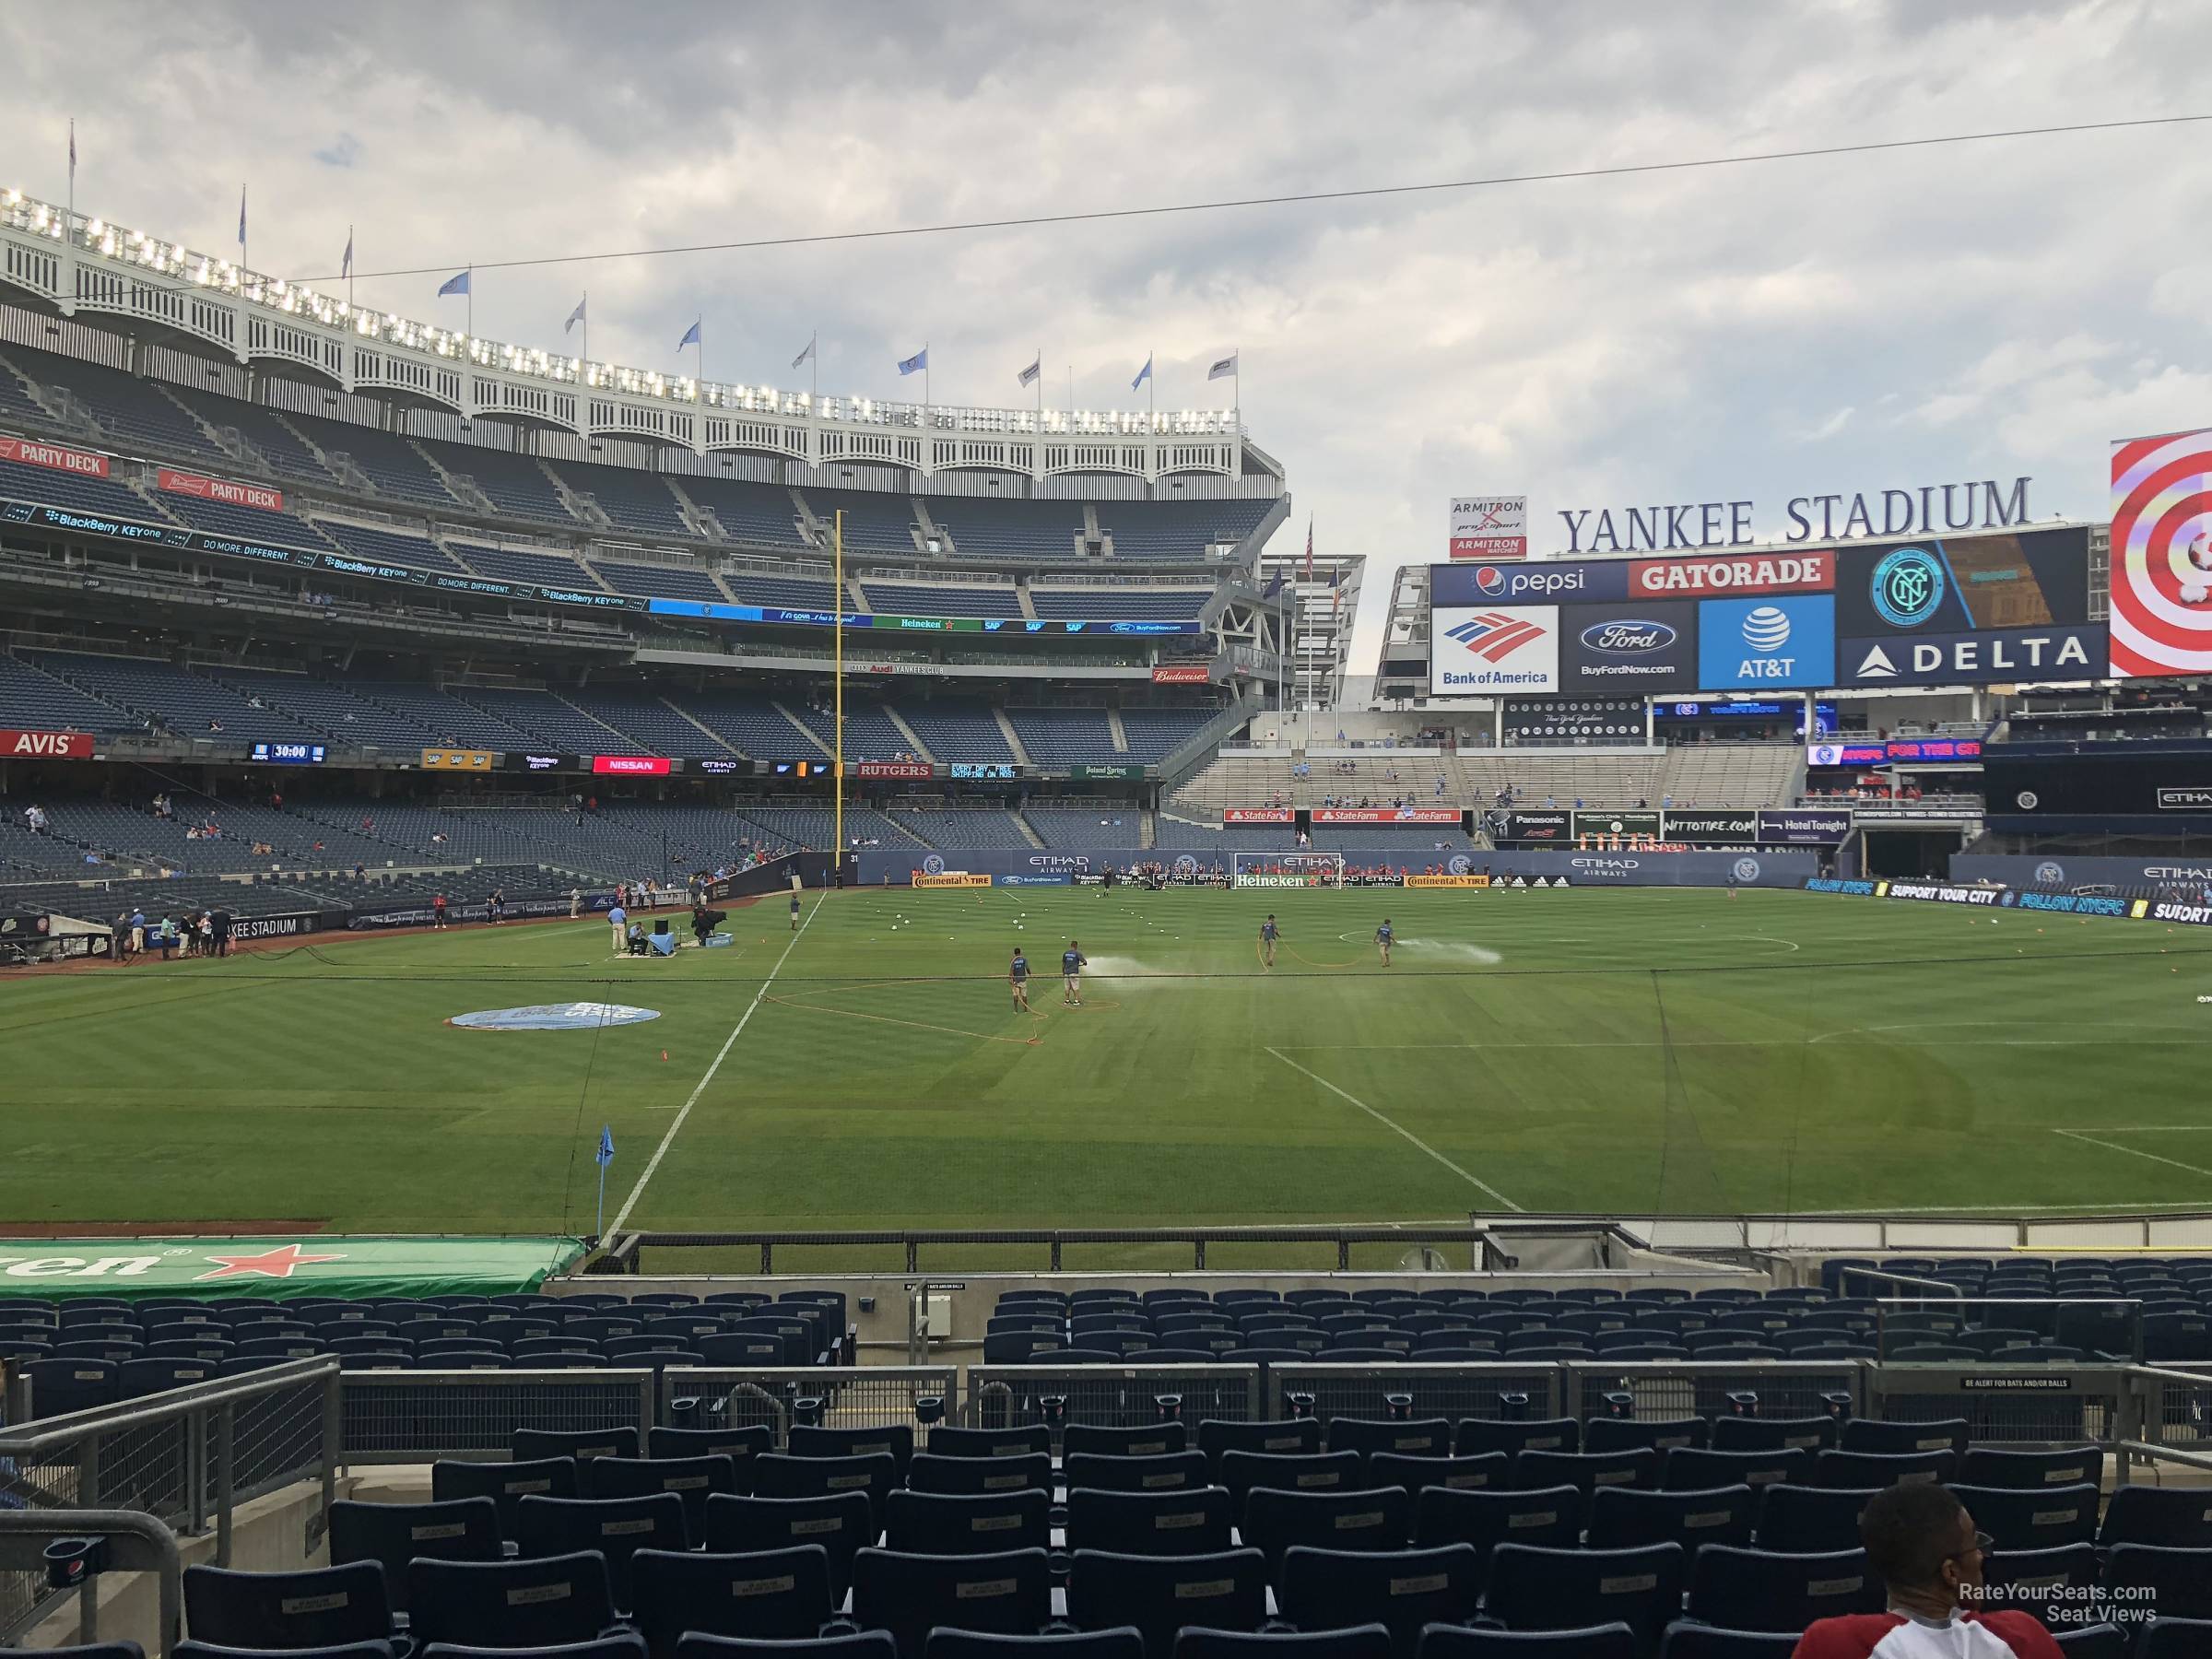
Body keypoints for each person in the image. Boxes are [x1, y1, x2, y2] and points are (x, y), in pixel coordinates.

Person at [1791, 1483, 2061, 1658]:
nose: (1980, 1557)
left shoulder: (1830, 1645)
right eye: (1974, 1546)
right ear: (1950, 1573)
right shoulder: (2021, 1636)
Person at [1061, 939, 1087, 1007]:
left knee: (1067, 987)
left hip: (1066, 973)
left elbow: (1063, 963)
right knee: (1075, 987)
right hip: (1074, 973)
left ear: (1071, 945)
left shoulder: (1066, 953)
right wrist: (1085, 962)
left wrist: (1063, 972)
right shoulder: (1077, 953)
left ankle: (1067, 1000)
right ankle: (1076, 1001)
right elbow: (1083, 960)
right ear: (1076, 946)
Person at [1009, 946, 1031, 1012]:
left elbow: (1011, 971)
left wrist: (1011, 978)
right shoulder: (1024, 959)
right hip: (1023, 979)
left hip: (1015, 980)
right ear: (1020, 952)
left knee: (1015, 995)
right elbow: (1027, 968)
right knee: (1024, 995)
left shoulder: (1013, 960)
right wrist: (1030, 973)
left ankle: (1016, 1010)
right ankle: (1025, 1009)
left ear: (1014, 953)